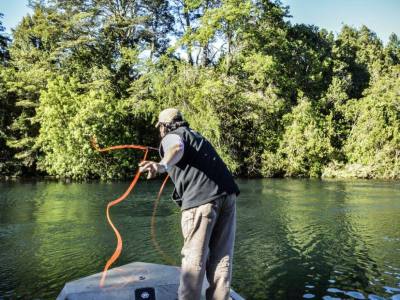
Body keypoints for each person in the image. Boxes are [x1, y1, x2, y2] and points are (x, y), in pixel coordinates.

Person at [139, 108, 240, 300]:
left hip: (201, 201)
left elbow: (176, 148)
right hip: (228, 195)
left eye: (159, 128)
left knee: (194, 262)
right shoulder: (197, 136)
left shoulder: (172, 136)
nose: (159, 132)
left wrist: (161, 166)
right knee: (221, 259)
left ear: (163, 126)